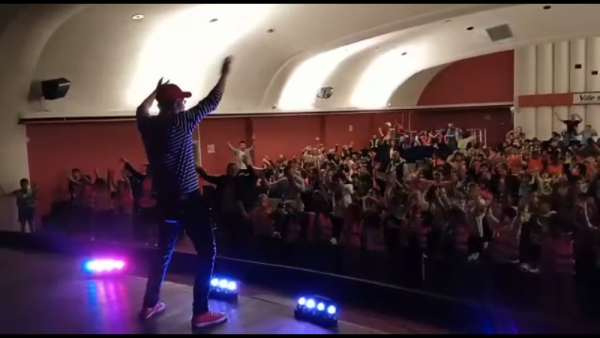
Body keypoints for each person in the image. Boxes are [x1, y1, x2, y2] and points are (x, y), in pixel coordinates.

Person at [136, 56, 232, 329]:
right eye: (182, 100)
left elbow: (140, 109)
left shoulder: (148, 126)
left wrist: (155, 93)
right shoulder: (181, 122)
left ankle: (149, 304)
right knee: (207, 253)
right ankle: (201, 312)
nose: (186, 103)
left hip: (165, 203)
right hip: (189, 201)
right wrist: (224, 73)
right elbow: (213, 100)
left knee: (162, 253)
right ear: (176, 104)